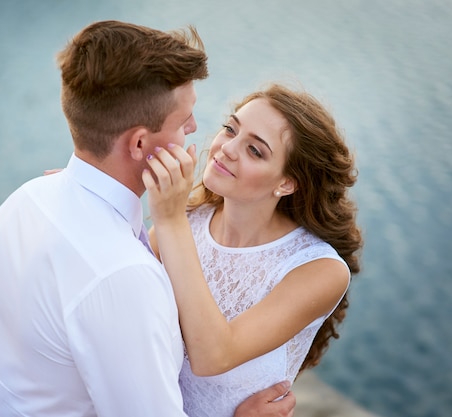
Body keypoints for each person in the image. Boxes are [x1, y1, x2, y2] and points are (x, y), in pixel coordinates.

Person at [0, 20, 296, 417]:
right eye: (183, 121)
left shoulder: (23, 201)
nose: (196, 129)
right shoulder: (125, 276)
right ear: (140, 143)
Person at [142, 83, 363, 417]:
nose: (227, 148)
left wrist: (170, 220)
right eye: (231, 129)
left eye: (255, 150)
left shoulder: (319, 270)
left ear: (286, 183)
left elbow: (212, 356)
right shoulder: (186, 220)